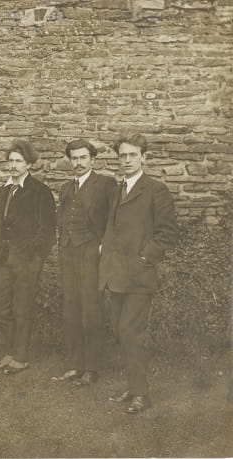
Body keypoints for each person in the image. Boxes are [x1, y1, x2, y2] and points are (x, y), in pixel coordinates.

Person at [100, 133, 178, 413]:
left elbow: (168, 233)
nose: (127, 160)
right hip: (116, 275)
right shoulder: (119, 189)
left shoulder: (156, 190)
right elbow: (114, 228)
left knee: (130, 331)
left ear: (144, 157)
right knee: (121, 332)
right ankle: (133, 387)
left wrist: (144, 257)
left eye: (133, 155)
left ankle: (142, 395)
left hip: (140, 276)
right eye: (122, 155)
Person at [53, 139, 116, 386]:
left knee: (91, 310)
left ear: (93, 160)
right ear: (69, 161)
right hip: (69, 254)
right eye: (74, 159)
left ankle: (92, 367)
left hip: (92, 252)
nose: (78, 163)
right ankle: (75, 364)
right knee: (72, 309)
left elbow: (114, 218)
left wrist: (104, 244)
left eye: (83, 158)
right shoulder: (66, 188)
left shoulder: (106, 184)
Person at [0, 140, 56, 375]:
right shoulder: (6, 190)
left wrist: (34, 256)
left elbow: (47, 230)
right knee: (1, 307)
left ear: (29, 164)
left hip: (27, 260)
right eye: (11, 161)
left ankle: (21, 356)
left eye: (19, 161)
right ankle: (9, 351)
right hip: (3, 260)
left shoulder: (40, 191)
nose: (13, 165)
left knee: (21, 307)